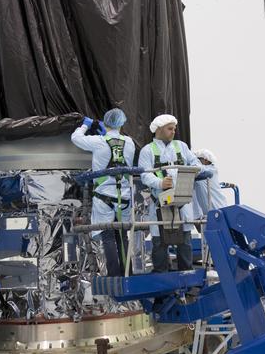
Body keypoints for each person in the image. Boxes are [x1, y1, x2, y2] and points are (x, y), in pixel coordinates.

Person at [138, 114, 212, 273]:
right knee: (159, 242)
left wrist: (195, 171)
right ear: (159, 129)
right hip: (160, 203)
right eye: (170, 129)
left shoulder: (181, 147)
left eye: (174, 129)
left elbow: (196, 164)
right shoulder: (147, 151)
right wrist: (160, 183)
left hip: (182, 202)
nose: (173, 132)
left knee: (185, 241)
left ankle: (187, 278)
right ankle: (161, 279)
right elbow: (145, 175)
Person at [71, 108, 138, 275]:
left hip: (104, 197)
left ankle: (114, 274)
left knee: (108, 236)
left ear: (105, 123)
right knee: (122, 236)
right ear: (121, 124)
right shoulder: (129, 142)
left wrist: (85, 125)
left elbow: (75, 138)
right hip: (124, 196)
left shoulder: (99, 141)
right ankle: (127, 273)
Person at [191, 149, 230, 216]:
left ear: (206, 160)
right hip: (210, 210)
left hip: (218, 207)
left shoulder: (210, 170)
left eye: (198, 160)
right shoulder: (206, 169)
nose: (196, 162)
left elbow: (198, 169)